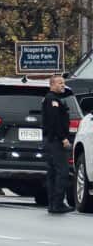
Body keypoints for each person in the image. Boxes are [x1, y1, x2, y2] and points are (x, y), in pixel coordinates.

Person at [41, 74, 74, 214]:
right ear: (52, 84)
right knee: (62, 172)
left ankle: (53, 204)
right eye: (59, 83)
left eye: (63, 83)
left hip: (51, 140)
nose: (62, 85)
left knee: (53, 173)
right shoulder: (52, 100)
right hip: (55, 141)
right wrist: (63, 138)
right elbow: (55, 122)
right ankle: (58, 203)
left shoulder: (54, 99)